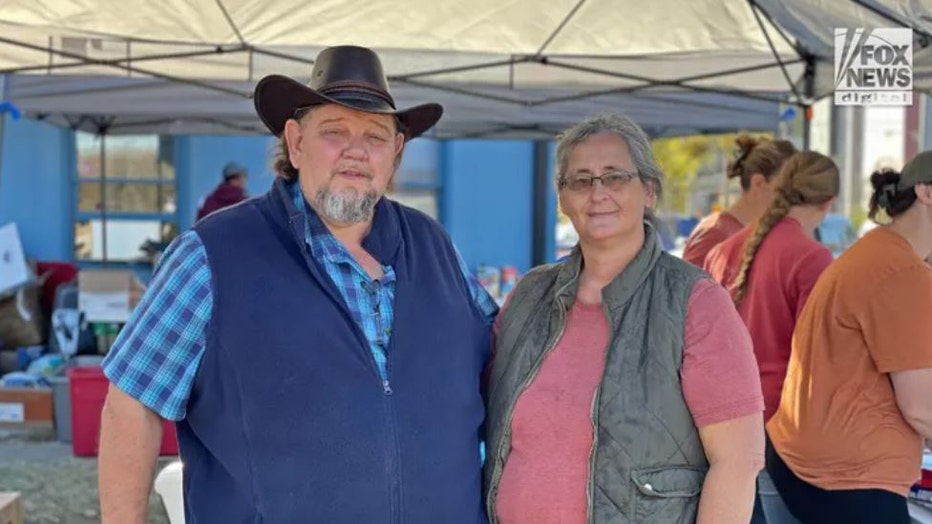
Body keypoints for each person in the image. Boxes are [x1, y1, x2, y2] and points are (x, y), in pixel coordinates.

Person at [97, 45, 498, 524]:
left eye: (375, 135)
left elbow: (500, 366)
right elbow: (133, 404)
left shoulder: (435, 246)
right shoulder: (213, 254)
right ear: (295, 141)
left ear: (396, 152)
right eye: (334, 132)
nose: (355, 150)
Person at [483, 114, 765, 524]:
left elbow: (738, 462)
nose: (598, 193)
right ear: (562, 199)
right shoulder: (529, 296)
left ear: (648, 190)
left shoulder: (695, 302)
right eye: (580, 180)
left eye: (615, 177)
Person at [767, 151, 932, 523]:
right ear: (926, 192)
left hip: (800, 463)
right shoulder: (901, 271)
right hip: (847, 480)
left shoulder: (877, 252)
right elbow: (922, 409)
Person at [704, 151, 840, 523]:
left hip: (722, 421)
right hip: (783, 426)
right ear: (828, 203)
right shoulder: (811, 257)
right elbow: (820, 353)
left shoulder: (721, 251)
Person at [682, 134, 796, 266]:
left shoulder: (758, 235)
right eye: (787, 185)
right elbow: (684, 286)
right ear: (758, 183)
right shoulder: (715, 234)